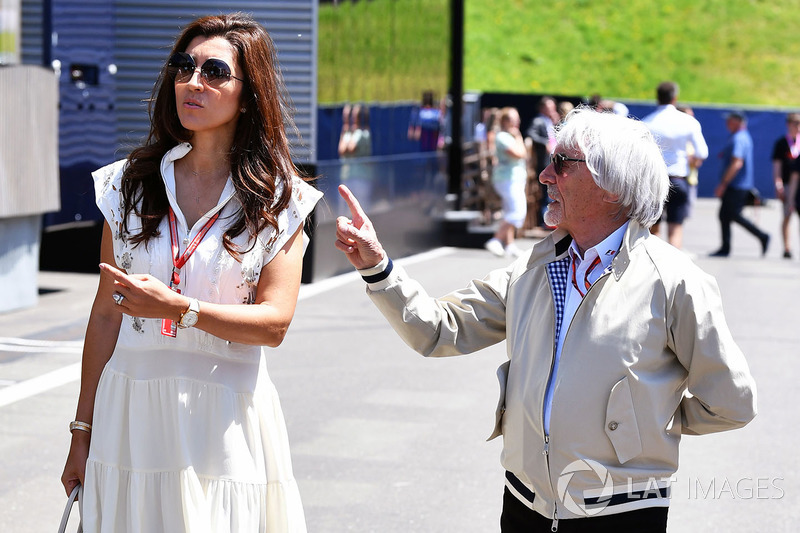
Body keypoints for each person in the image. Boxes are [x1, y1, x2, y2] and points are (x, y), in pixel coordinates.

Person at [335, 107, 756, 532]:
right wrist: (378, 268)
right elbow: (438, 329)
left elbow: (731, 402)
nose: (544, 176)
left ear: (612, 185)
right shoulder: (533, 269)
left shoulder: (675, 281)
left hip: (622, 514)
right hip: (524, 507)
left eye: (561, 163)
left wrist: (644, 422)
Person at [60, 13, 322, 532]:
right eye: (184, 67)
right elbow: (106, 318)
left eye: (214, 71)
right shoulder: (125, 186)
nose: (192, 82)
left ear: (249, 94)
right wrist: (81, 432)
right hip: (130, 413)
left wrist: (182, 310)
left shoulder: (280, 198)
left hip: (226, 421)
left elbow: (275, 322)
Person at [642, 81, 709, 248]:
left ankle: (654, 269)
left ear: (657, 98)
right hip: (679, 179)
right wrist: (690, 158)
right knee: (675, 229)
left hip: (655, 183)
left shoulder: (646, 123)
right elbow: (702, 152)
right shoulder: (688, 122)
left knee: (653, 230)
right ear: (675, 98)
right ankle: (673, 271)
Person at [711, 111, 770, 257]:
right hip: (738, 184)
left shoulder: (739, 138)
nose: (727, 123)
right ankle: (725, 247)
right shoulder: (740, 136)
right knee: (725, 215)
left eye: (730, 120)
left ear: (738, 121)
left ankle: (762, 236)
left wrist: (723, 184)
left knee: (733, 215)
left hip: (736, 185)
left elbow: (736, 163)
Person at [484, 107, 528, 258]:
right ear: (504, 121)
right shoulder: (503, 136)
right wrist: (519, 137)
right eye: (512, 119)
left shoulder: (508, 136)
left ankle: (509, 245)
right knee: (518, 212)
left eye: (517, 119)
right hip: (508, 179)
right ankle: (496, 239)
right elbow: (520, 153)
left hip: (513, 178)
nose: (516, 122)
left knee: (509, 211)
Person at [526, 96, 560, 228]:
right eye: (548, 107)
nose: (551, 110)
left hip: (552, 159)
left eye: (553, 107)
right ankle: (546, 220)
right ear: (541, 108)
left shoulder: (550, 121)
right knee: (547, 191)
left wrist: (556, 121)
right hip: (544, 161)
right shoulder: (538, 120)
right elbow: (531, 134)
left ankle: (551, 220)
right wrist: (544, 142)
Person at [771, 112, 800, 258]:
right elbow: (777, 166)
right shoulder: (782, 143)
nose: (798, 126)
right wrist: (779, 185)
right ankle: (787, 247)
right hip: (789, 184)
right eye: (795, 123)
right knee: (787, 215)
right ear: (788, 124)